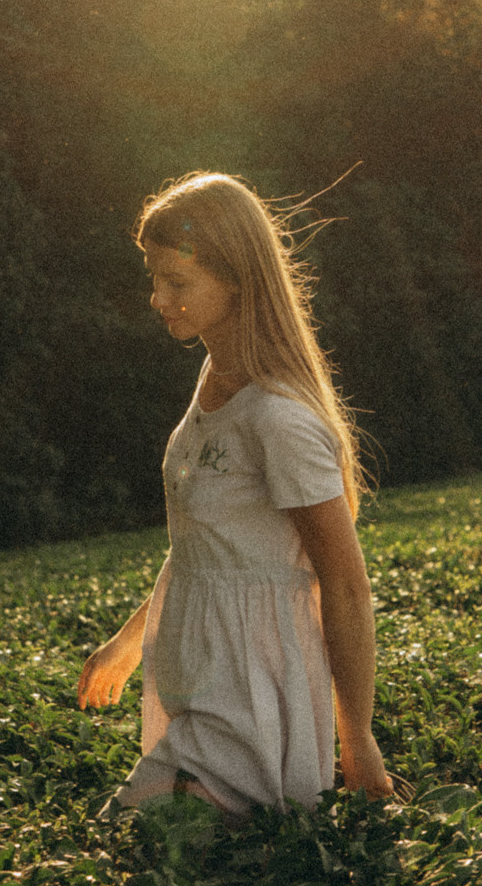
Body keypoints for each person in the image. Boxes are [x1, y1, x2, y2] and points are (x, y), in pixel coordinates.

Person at [77, 171, 395, 815]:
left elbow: (344, 582)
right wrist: (126, 645)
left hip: (253, 693)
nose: (157, 299)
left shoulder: (279, 418)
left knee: (143, 842)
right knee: (139, 846)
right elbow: (207, 544)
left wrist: (356, 739)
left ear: (239, 281)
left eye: (178, 282)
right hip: (198, 679)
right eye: (154, 278)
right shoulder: (212, 376)